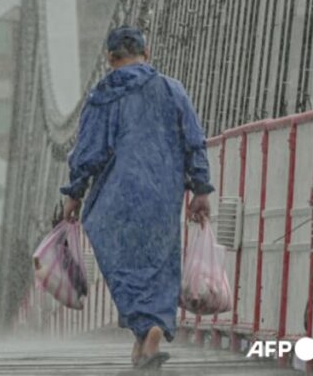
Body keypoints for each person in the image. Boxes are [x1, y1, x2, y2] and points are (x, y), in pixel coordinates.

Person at [60, 26, 213, 370]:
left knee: (123, 264)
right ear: (147, 53)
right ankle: (153, 327)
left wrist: (74, 193)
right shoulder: (172, 89)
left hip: (115, 196)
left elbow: (87, 151)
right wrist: (200, 188)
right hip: (162, 191)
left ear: (111, 59)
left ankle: (142, 331)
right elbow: (194, 140)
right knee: (160, 261)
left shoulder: (102, 95)